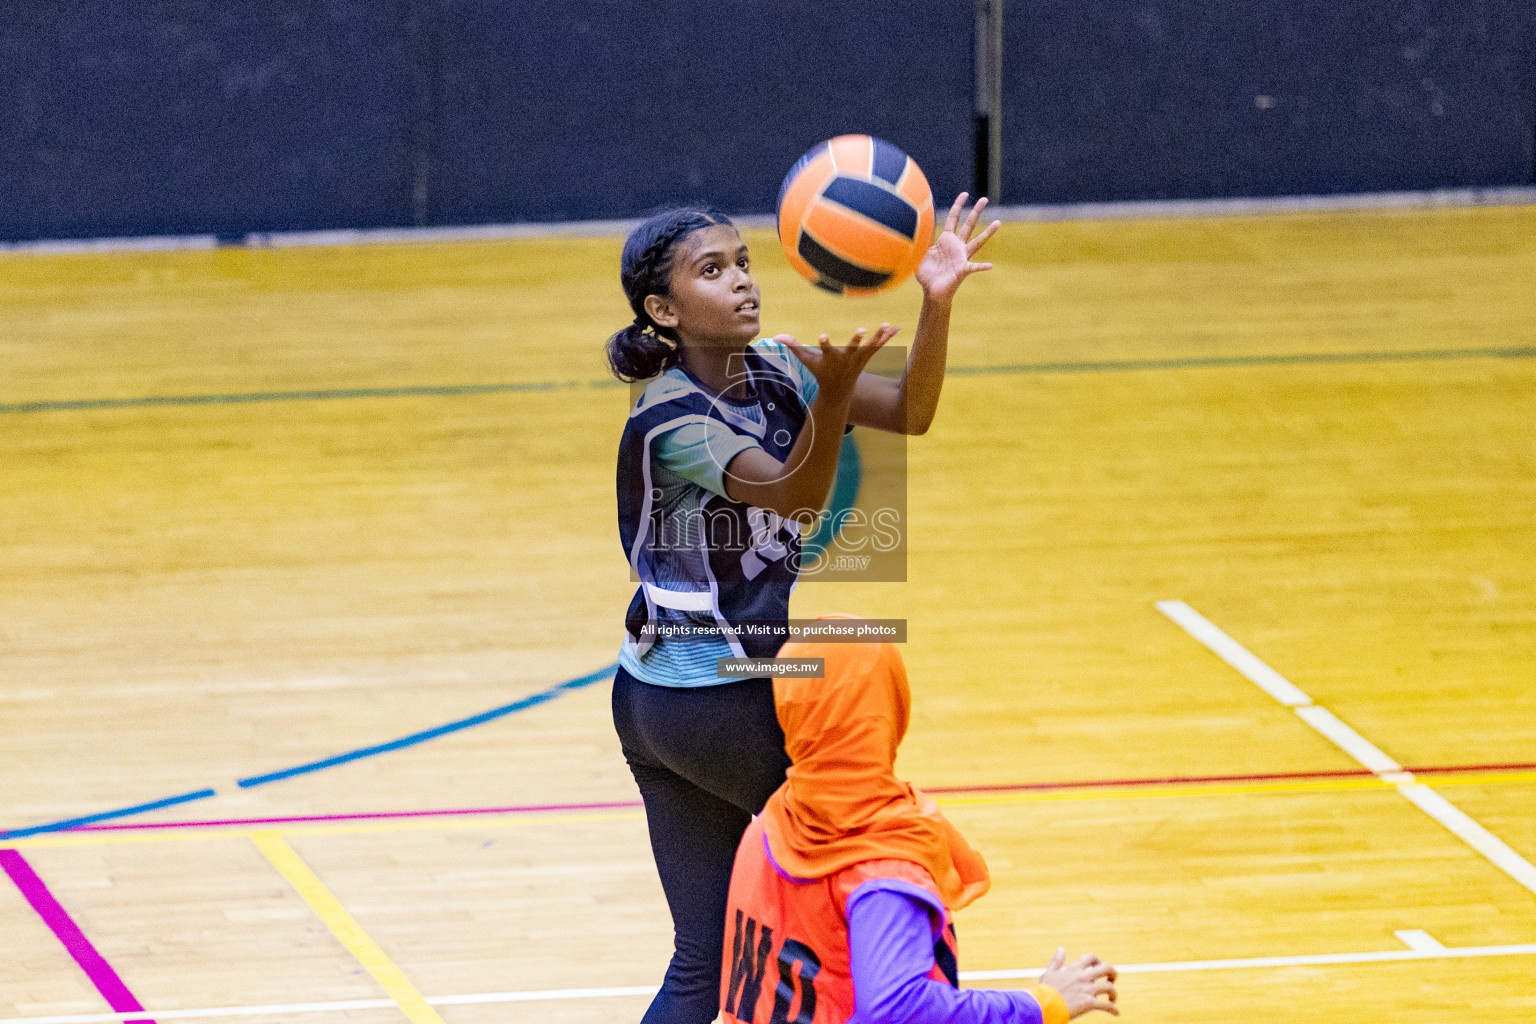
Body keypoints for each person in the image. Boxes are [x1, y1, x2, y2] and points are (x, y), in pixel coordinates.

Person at [608, 196, 1000, 1024]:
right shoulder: (672, 418)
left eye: (743, 262)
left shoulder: (778, 365)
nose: (742, 282)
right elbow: (791, 496)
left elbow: (912, 414)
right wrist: (834, 397)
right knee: (881, 862)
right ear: (664, 311)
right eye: (711, 271)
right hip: (714, 703)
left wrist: (936, 301)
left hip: (659, 704)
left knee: (703, 965)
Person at [720, 620, 1120, 1024]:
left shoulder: (770, 824)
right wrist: (1041, 1005)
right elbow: (899, 1007)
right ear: (889, 703)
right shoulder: (880, 864)